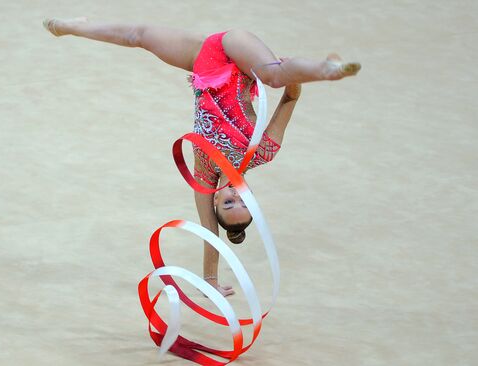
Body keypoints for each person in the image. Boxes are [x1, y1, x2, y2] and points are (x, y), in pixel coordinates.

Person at [43, 18, 360, 296]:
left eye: (228, 203)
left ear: (217, 200)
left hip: (204, 60)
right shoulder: (262, 153)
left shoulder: (204, 174)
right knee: (275, 77)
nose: (235, 195)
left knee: (137, 36)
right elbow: (290, 95)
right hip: (237, 52)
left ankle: (70, 26)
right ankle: (328, 69)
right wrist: (294, 78)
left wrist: (210, 278)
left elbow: (210, 230)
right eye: (243, 202)